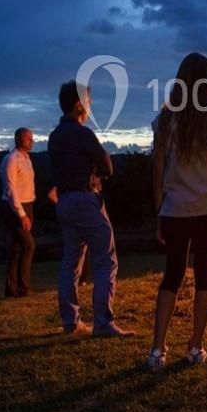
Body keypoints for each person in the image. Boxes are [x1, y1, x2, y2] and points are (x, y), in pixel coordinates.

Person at [147, 53, 207, 370]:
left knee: (172, 276)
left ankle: (157, 349)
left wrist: (160, 211)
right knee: (205, 277)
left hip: (175, 209)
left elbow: (157, 170)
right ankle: (195, 346)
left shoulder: (165, 121)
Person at [49, 80, 134, 337]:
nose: (90, 106)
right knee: (106, 260)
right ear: (78, 105)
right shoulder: (82, 134)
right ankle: (103, 323)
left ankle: (70, 321)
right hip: (85, 200)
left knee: (71, 262)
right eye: (88, 101)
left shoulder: (54, 137)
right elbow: (107, 166)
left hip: (64, 201)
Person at [0, 127, 36, 298]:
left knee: (16, 248)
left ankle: (11, 288)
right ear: (18, 139)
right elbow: (11, 189)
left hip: (28, 204)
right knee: (29, 245)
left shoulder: (27, 159)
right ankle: (24, 287)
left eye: (31, 138)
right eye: (28, 138)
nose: (31, 141)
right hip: (14, 207)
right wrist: (21, 214)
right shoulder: (11, 160)